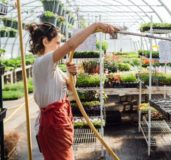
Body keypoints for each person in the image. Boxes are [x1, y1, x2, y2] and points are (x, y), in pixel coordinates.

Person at [27, 22, 118, 160]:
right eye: (57, 42)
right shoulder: (43, 63)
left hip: (57, 120)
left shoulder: (51, 67)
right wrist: (95, 26)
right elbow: (70, 46)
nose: (60, 46)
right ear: (45, 41)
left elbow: (70, 86)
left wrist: (72, 74)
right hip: (54, 122)